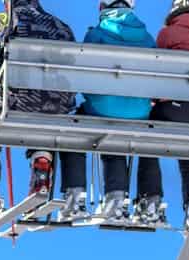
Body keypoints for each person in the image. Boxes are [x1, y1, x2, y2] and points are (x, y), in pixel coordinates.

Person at [0, 0, 88, 233]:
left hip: (17, 102)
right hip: (56, 105)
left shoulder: (6, 20)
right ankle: (41, 175)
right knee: (44, 122)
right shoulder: (61, 27)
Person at [133, 0, 189, 227]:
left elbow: (158, 70)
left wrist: (154, 100)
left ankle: (150, 198)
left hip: (177, 107)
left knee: (147, 138)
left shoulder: (167, 35)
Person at [65, 0, 157, 223]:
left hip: (103, 108)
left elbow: (83, 76)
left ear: (102, 7)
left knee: (72, 129)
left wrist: (93, 97)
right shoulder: (147, 38)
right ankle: (119, 199)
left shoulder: (96, 35)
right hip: (139, 111)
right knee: (118, 129)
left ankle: (75, 195)